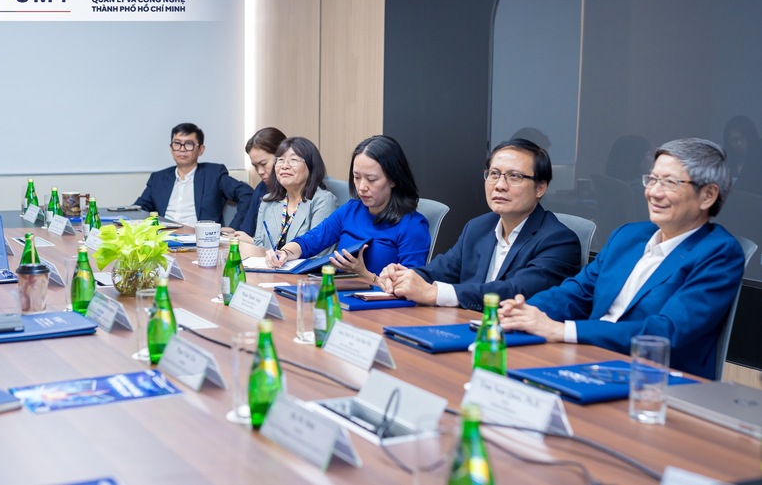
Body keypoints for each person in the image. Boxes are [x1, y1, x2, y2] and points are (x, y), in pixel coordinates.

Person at [498, 138, 745, 379]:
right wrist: (526, 311)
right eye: (652, 179)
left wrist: (563, 330)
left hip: (653, 379)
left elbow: (665, 332)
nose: (653, 192)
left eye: (669, 182)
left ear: (707, 195)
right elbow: (577, 292)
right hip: (588, 359)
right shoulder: (628, 236)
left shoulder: (719, 253)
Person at [380, 139, 581, 311]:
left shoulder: (559, 241)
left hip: (515, 338)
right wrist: (403, 277)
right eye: (494, 174)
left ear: (540, 188)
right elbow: (439, 271)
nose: (500, 185)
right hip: (465, 326)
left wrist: (435, 293)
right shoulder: (478, 227)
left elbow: (515, 291)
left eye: (515, 176)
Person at [265, 135, 431, 282]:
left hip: (379, 304)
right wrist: (284, 253)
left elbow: (411, 287)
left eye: (371, 179)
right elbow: (311, 240)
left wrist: (364, 274)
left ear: (393, 179)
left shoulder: (412, 225)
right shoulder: (352, 210)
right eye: (356, 177)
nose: (361, 187)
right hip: (340, 294)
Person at [134, 123, 253, 229]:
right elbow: (139, 208)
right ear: (171, 148)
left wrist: (234, 227)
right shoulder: (158, 178)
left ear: (201, 149)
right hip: (163, 238)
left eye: (189, 144)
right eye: (177, 144)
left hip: (199, 239)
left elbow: (247, 193)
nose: (182, 149)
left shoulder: (214, 174)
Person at [233, 137, 337, 257]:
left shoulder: (323, 201)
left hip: (303, 269)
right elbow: (260, 244)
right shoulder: (267, 201)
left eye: (293, 160)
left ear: (311, 165)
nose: (284, 166)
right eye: (280, 160)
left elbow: (320, 254)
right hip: (267, 267)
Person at [239, 127, 287, 236]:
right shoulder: (261, 188)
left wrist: (252, 241)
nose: (260, 171)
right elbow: (247, 231)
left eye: (264, 164)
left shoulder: (298, 189)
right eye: (255, 166)